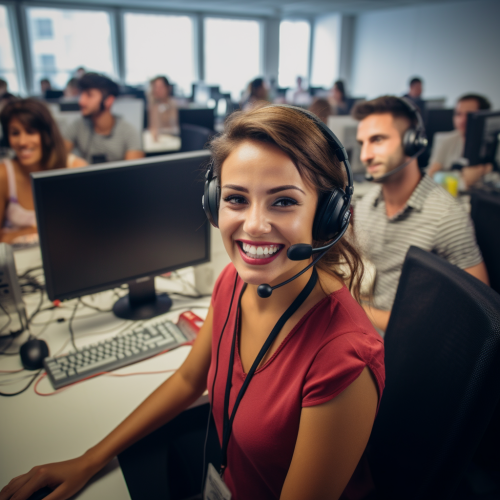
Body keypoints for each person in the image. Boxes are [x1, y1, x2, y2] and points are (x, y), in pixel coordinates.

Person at [0, 105, 385, 500]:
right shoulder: (234, 281)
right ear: (213, 201)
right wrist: (90, 459)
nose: (253, 225)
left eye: (283, 202)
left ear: (328, 217)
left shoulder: (344, 357)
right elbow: (189, 379)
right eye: (236, 199)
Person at [352, 96, 488, 333]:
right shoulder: (366, 204)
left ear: (412, 142)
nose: (365, 155)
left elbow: (481, 312)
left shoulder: (446, 217)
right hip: (361, 329)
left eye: (377, 140)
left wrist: (358, 311)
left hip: (407, 343)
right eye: (362, 143)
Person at [0, 98, 86, 244]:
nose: (22, 142)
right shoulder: (4, 174)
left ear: (46, 134)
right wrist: (35, 230)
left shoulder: (75, 168)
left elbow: (88, 228)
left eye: (30, 131)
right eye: (15, 133)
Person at [63, 72, 144, 164]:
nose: (81, 101)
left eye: (89, 95)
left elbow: (134, 174)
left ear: (109, 101)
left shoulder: (128, 132)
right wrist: (74, 161)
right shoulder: (78, 126)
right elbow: (56, 157)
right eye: (82, 94)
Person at [427, 93, 492, 188]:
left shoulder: (492, 144)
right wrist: (462, 182)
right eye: (458, 114)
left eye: (469, 115)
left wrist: (484, 170)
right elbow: (431, 177)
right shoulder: (444, 140)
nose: (462, 120)